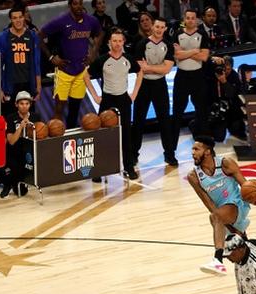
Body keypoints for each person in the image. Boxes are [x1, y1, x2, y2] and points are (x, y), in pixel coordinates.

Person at [187, 135, 256, 275]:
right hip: (224, 213)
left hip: (238, 204)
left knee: (215, 219)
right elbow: (208, 203)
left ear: (207, 151)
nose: (192, 152)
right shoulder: (193, 176)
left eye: (196, 149)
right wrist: (227, 224)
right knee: (240, 249)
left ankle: (217, 261)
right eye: (192, 149)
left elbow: (245, 185)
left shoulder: (225, 163)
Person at [84, 27, 143, 181]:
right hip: (107, 100)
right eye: (114, 41)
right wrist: (96, 96)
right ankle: (99, 170)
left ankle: (129, 167)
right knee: (102, 135)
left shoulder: (128, 59)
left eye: (120, 41)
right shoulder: (102, 60)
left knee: (126, 136)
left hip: (123, 99)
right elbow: (86, 75)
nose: (117, 44)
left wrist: (134, 94)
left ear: (123, 42)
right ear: (109, 43)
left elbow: (140, 72)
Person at [39, 0, 103, 129]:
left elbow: (100, 33)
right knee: (59, 109)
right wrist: (51, 57)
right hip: (64, 70)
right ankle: (56, 138)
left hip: (81, 70)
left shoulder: (90, 20)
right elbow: (39, 36)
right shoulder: (61, 21)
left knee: (75, 108)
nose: (78, 6)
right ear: (70, 6)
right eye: (75, 4)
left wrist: (94, 52)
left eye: (80, 3)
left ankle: (70, 135)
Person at [133, 17, 176, 167]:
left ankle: (169, 155)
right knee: (138, 121)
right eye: (157, 26)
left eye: (162, 27)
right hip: (144, 85)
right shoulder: (142, 44)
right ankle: (133, 155)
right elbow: (140, 68)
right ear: (152, 27)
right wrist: (157, 68)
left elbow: (166, 70)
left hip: (160, 85)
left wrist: (150, 68)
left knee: (165, 120)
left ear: (165, 29)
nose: (159, 29)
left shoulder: (168, 46)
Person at [171, 9, 210, 166]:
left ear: (197, 20)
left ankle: (205, 150)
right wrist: (194, 51)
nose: (190, 20)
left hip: (198, 76)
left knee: (202, 112)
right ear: (184, 19)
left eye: (193, 18)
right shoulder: (177, 34)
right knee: (177, 114)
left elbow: (204, 56)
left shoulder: (203, 35)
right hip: (182, 76)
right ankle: (171, 151)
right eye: (187, 18)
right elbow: (176, 56)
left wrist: (186, 52)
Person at [0, 5, 42, 116]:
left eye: (20, 17)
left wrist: (38, 87)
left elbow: (37, 63)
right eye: (14, 18)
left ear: (24, 18)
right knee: (11, 117)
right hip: (10, 85)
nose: (18, 20)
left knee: (30, 116)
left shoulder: (33, 36)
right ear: (11, 20)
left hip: (28, 83)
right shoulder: (2, 38)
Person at [1, 91, 40, 198]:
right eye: (21, 103)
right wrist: (21, 127)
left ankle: (13, 178)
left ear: (30, 105)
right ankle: (6, 182)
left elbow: (41, 136)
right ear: (16, 104)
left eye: (27, 104)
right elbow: (11, 141)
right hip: (14, 152)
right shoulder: (10, 118)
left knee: (21, 191)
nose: (24, 106)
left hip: (28, 152)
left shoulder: (36, 117)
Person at [208, 55, 247, 142]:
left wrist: (224, 82)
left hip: (231, 109)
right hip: (217, 109)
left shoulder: (235, 76)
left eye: (228, 69)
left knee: (239, 131)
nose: (225, 72)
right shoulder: (213, 74)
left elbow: (232, 94)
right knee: (219, 138)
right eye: (224, 69)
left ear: (232, 68)